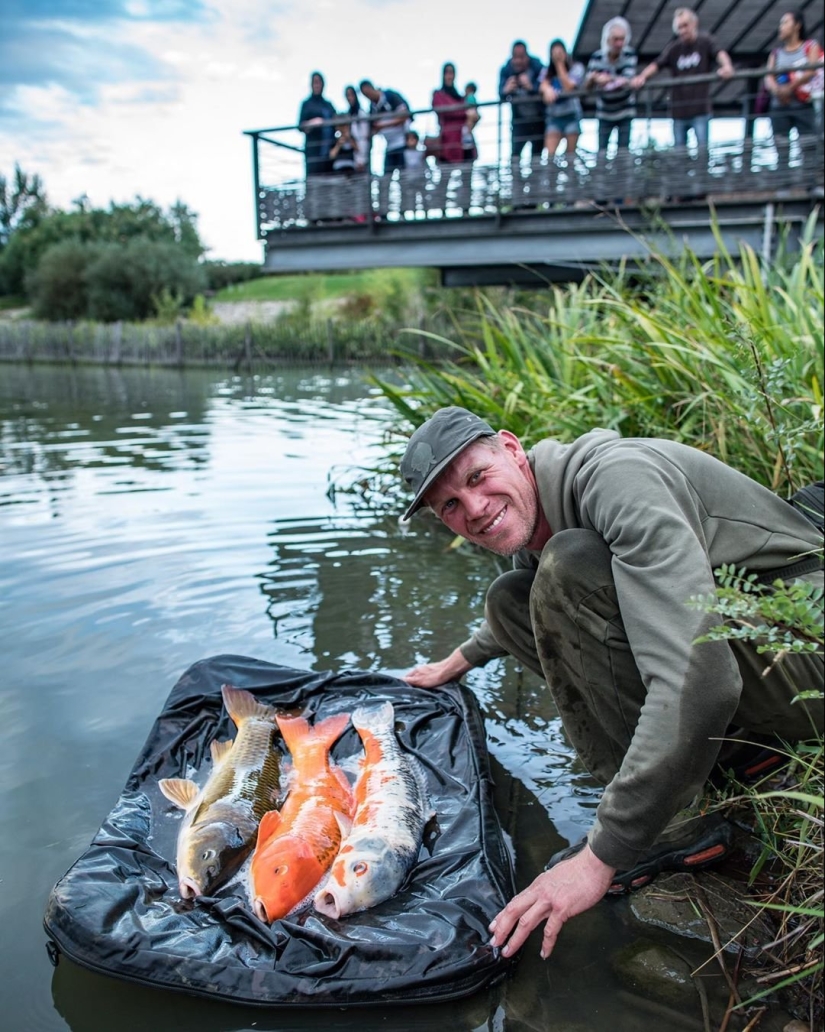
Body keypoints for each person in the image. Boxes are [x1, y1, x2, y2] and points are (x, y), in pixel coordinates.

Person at [400, 406, 823, 961]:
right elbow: (509, 612)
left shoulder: (615, 478)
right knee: (511, 600)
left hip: (807, 646)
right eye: (450, 505)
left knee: (568, 567)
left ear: (511, 448)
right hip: (761, 646)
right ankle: (718, 762)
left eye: (478, 477)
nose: (475, 509)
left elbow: (702, 678)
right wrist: (456, 662)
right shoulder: (541, 505)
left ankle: (673, 821)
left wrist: (602, 854)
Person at [632, 7, 734, 149]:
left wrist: (727, 67)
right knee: (679, 156)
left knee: (703, 153)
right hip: (678, 111)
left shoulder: (706, 41)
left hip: (701, 110)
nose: (683, 31)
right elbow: (657, 64)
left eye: (685, 25)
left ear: (694, 23)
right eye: (679, 27)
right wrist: (642, 77)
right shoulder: (674, 48)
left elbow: (720, 53)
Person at [764, 10, 823, 165]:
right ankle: (783, 186)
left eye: (785, 22)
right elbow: (768, 76)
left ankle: (810, 185)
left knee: (808, 145)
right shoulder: (776, 53)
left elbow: (811, 71)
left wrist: (790, 87)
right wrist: (777, 90)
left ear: (797, 25)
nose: (781, 27)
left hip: (803, 105)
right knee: (781, 147)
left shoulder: (811, 46)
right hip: (779, 106)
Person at [585, 16, 637, 154]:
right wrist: (594, 78)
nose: (619, 43)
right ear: (607, 39)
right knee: (601, 154)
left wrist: (608, 78)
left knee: (623, 154)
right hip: (604, 112)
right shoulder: (596, 57)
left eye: (622, 39)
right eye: (616, 39)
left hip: (625, 110)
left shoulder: (630, 54)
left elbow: (628, 79)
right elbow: (587, 86)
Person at [539, 40, 585, 162]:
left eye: (560, 53)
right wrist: (547, 89)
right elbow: (542, 85)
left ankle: (569, 180)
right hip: (554, 118)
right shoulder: (546, 71)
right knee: (550, 156)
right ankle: (552, 180)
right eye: (554, 54)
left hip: (572, 116)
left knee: (570, 157)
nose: (557, 56)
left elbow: (569, 87)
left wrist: (559, 65)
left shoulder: (576, 68)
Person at [499, 40, 545, 161]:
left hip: (538, 120)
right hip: (519, 121)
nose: (518, 61)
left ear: (527, 57)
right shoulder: (506, 70)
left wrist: (531, 87)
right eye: (515, 57)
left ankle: (535, 180)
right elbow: (500, 94)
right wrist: (506, 90)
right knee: (515, 156)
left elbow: (545, 86)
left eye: (521, 57)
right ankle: (516, 180)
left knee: (536, 157)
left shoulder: (537, 66)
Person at [359, 80, 411, 174]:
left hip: (402, 143)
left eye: (368, 93)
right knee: (386, 177)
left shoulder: (390, 96)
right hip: (389, 146)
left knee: (405, 176)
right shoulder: (372, 108)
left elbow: (404, 116)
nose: (368, 97)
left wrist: (382, 126)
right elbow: (373, 128)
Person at [298, 72, 337, 177]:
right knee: (314, 180)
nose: (317, 85)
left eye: (319, 82)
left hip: (329, 152)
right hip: (314, 151)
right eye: (315, 82)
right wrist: (313, 122)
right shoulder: (306, 104)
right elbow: (300, 126)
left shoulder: (328, 105)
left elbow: (337, 123)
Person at [432, 62, 468, 164]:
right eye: (447, 73)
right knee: (445, 176)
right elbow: (444, 111)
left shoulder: (459, 96)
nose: (449, 76)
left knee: (466, 175)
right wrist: (463, 111)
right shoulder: (438, 94)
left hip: (462, 139)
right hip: (447, 141)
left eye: (451, 73)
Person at [344, 85, 372, 172]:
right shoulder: (348, 116)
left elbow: (364, 137)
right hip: (352, 158)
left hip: (363, 156)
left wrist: (361, 159)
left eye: (351, 95)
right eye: (347, 95)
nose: (350, 98)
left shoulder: (362, 114)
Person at [462, 81, 480, 161]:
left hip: (469, 114)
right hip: (470, 114)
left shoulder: (469, 97)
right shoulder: (471, 98)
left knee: (467, 129)